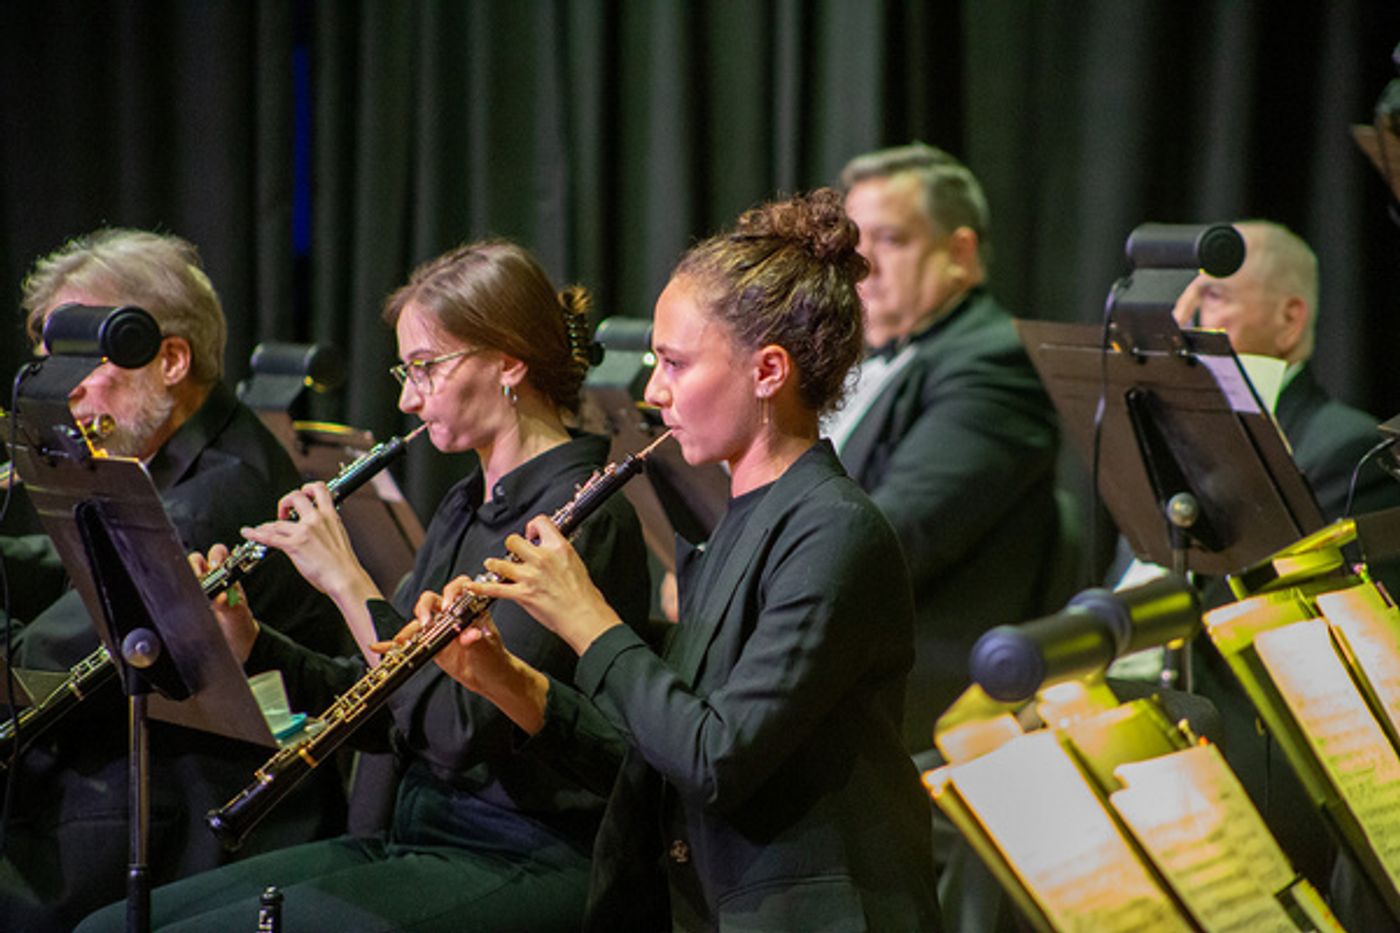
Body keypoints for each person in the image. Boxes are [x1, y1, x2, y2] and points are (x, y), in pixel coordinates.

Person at [78, 240, 651, 932]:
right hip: (416, 838)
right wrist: (250, 639)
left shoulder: (583, 518)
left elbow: (457, 731)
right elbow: (378, 708)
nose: (409, 398)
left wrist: (350, 584)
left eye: (426, 368)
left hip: (520, 852)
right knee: (108, 927)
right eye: (405, 371)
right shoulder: (464, 505)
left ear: (508, 361)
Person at [429, 189, 941, 930]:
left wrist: (588, 620)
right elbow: (657, 756)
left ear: (768, 371)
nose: (653, 390)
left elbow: (715, 760)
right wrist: (508, 680)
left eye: (674, 363)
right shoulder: (733, 521)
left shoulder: (835, 531)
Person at [0, 229, 349, 933]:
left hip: (193, 818)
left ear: (169, 360)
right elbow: (71, 565)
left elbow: (37, 667)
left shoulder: (216, 497)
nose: (67, 400)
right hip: (147, 776)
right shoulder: (181, 450)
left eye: (83, 369)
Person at [833, 142, 1065, 749]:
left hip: (918, 706)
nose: (863, 265)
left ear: (960, 252)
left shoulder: (995, 361)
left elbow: (889, 539)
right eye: (854, 244)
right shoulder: (860, 354)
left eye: (890, 241)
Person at [1173, 219, 1399, 521]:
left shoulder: (1350, 452)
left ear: (1288, 321)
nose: (1185, 320)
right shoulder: (1173, 427)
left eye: (1214, 297)